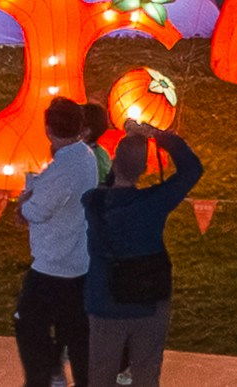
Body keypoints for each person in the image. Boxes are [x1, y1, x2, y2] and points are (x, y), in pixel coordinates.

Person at [80, 95, 197, 387]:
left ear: (113, 163)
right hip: (150, 301)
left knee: (100, 376)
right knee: (146, 373)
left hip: (105, 302)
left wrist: (121, 161)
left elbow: (108, 186)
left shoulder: (92, 202)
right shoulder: (154, 203)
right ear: (145, 169)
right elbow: (192, 170)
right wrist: (158, 136)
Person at [14, 93, 103, 387]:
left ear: (48, 130)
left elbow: (36, 211)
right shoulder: (85, 157)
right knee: (76, 332)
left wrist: (24, 204)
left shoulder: (64, 169)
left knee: (28, 323)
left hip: (54, 266)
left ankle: (45, 376)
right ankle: (68, 375)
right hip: (79, 261)